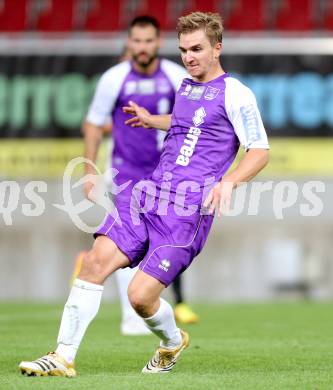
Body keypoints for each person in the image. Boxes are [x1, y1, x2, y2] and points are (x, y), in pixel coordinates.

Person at [19, 11, 269, 377]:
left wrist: (228, 182)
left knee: (140, 297)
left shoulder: (236, 93)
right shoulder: (186, 85)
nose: (189, 57)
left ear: (218, 48)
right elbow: (187, 123)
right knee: (93, 264)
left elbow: (260, 150)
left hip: (186, 213)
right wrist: (154, 120)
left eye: (197, 49)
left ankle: (171, 342)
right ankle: (62, 356)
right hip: (148, 194)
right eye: (184, 50)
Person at [80, 16, 198, 335]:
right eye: (137, 41)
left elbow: (193, 122)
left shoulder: (176, 77)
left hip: (167, 177)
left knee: (161, 241)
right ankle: (132, 317)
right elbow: (93, 123)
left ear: (158, 43)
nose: (142, 47)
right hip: (126, 174)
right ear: (129, 43)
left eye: (148, 41)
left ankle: (153, 304)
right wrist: (89, 168)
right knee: (125, 239)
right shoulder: (114, 78)